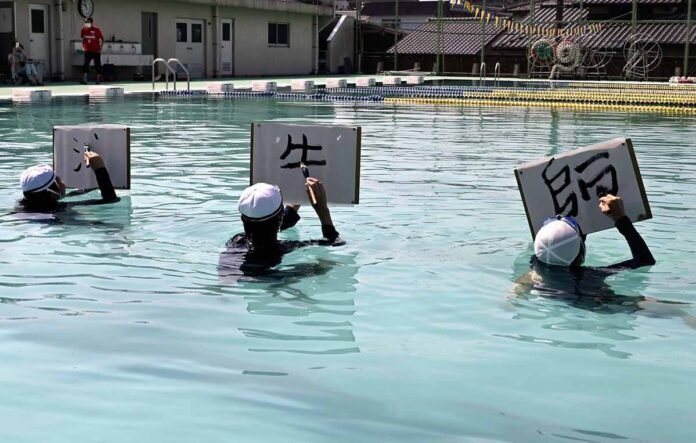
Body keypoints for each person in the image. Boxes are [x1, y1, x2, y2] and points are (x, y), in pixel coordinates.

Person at [218, 177, 344, 280]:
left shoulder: (237, 241)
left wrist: (298, 197)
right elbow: (333, 246)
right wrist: (323, 211)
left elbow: (265, 226)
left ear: (243, 219)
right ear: (280, 217)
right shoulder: (287, 250)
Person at [533, 194, 655, 270]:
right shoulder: (590, 279)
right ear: (581, 258)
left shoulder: (533, 275)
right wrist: (621, 219)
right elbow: (645, 260)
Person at [17, 151, 119, 213]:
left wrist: (87, 189)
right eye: (59, 179)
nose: (63, 182)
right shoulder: (60, 209)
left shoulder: (23, 206)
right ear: (53, 191)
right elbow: (110, 200)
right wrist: (99, 169)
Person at [80, 17, 103, 85]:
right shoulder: (83, 30)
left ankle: (98, 79)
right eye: (86, 22)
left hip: (96, 50)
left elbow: (102, 39)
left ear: (91, 22)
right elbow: (83, 39)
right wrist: (83, 47)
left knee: (97, 65)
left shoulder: (96, 29)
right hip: (87, 50)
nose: (87, 23)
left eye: (88, 22)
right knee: (85, 64)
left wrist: (100, 48)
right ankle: (84, 79)